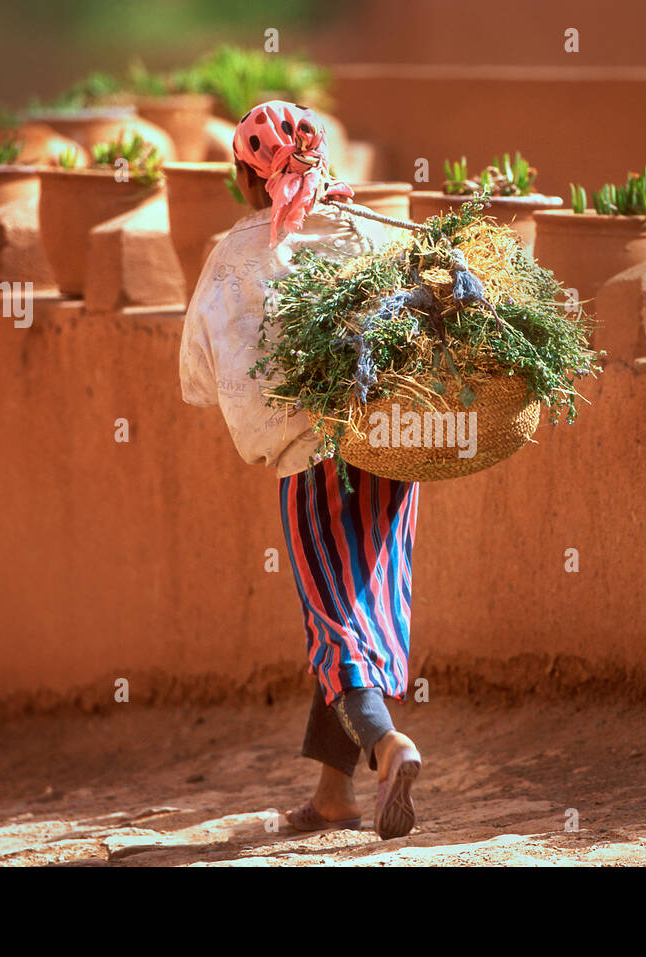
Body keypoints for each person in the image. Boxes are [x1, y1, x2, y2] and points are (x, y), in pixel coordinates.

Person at [178, 100, 422, 840]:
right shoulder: (368, 229)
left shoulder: (238, 252)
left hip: (314, 466)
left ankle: (388, 747)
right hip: (392, 456)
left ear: (248, 179)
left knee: (333, 624)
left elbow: (201, 371)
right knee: (362, 607)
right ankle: (333, 796)